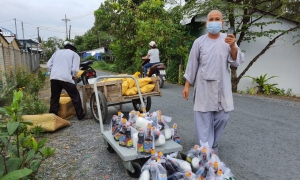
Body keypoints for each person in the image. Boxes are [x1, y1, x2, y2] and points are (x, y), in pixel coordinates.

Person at [182, 10, 245, 149]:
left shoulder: (228, 41)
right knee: (203, 120)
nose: (214, 21)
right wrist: (187, 85)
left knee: (223, 117)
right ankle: (206, 151)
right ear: (207, 23)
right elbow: (192, 64)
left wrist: (233, 46)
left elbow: (235, 62)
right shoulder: (199, 42)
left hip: (222, 87)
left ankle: (212, 144)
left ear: (222, 23)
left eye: (217, 19)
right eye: (211, 19)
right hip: (204, 87)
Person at [47, 41, 87, 120]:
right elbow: (75, 69)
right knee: (75, 96)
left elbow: (48, 65)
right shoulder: (74, 54)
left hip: (54, 77)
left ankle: (53, 117)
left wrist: (54, 71)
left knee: (54, 97)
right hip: (66, 77)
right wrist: (73, 75)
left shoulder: (57, 52)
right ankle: (80, 115)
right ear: (73, 49)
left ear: (65, 47)